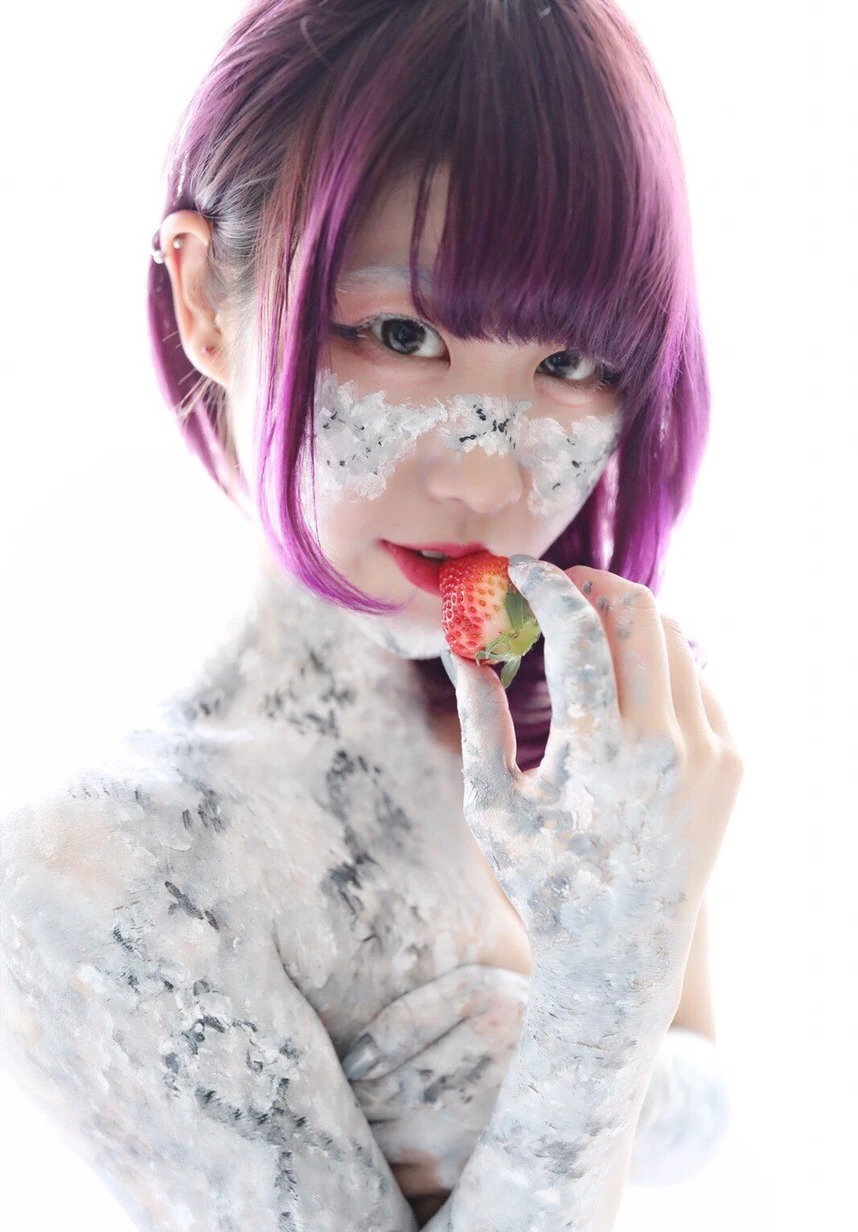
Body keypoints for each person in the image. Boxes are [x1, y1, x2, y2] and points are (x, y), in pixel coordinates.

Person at [1, 1, 745, 1228]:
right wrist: (587, 1031)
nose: (491, 481)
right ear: (203, 300)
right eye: (404, 335)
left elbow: (707, 1088)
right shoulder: (103, 870)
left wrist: (566, 1042)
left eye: (570, 365)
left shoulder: (588, 707)